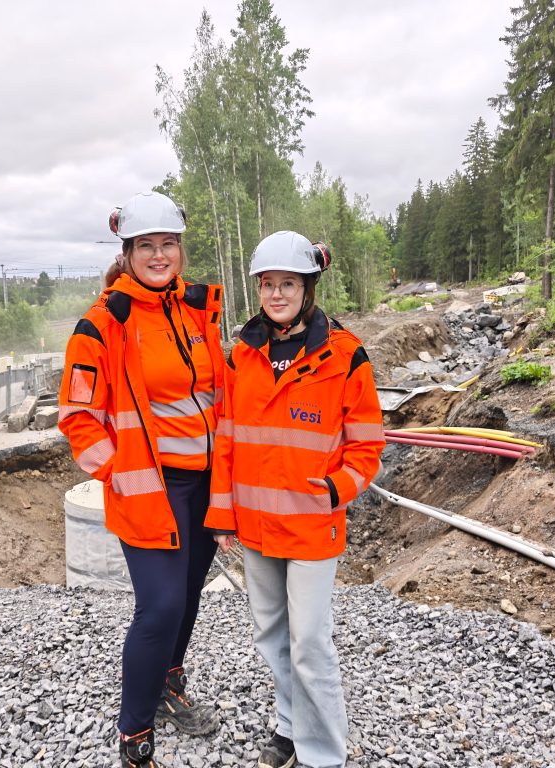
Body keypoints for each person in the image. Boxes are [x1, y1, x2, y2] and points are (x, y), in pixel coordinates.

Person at [204, 231, 386, 768]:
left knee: (309, 643)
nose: (277, 294)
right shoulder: (244, 355)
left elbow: (367, 445)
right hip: (256, 526)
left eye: (288, 283)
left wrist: (335, 490)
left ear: (308, 288)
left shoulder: (344, 355)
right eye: (268, 284)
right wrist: (222, 516)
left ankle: (323, 754)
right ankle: (289, 728)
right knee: (271, 635)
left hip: (311, 525)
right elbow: (227, 439)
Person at [58, 191, 225, 767]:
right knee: (159, 607)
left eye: (168, 244)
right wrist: (120, 473)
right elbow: (78, 418)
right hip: (151, 488)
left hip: (206, 485)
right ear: (127, 253)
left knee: (188, 596)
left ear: (180, 249)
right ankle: (135, 736)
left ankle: (169, 684)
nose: (159, 255)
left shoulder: (197, 310)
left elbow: (216, 394)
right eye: (146, 246)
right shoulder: (103, 324)